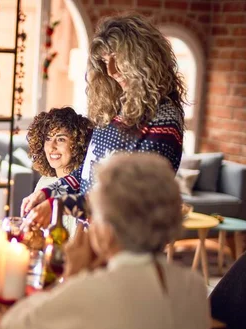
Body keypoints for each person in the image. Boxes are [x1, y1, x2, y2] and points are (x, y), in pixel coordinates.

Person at [0, 153, 211, 329]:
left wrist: (71, 278)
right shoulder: (193, 288)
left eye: (94, 215)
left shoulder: (89, 292)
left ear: (108, 231)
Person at [22, 14, 187, 227]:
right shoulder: (116, 109)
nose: (110, 71)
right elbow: (88, 172)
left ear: (141, 58)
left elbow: (130, 198)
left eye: (116, 59)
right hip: (95, 238)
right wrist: (48, 192)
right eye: (105, 61)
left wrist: (59, 205)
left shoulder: (163, 119)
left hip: (129, 247)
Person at [27, 107, 92, 192]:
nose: (51, 147)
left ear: (78, 142)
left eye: (61, 139)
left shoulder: (84, 185)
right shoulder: (44, 182)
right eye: (48, 139)